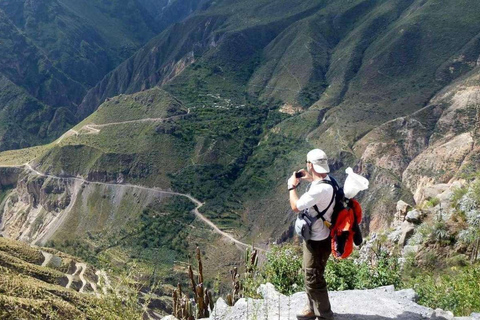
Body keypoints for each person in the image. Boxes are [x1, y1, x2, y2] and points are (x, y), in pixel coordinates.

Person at [287, 148, 335, 320]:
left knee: (313, 278)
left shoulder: (318, 191)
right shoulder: (329, 181)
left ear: (310, 164)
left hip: (317, 240)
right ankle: (311, 307)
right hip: (321, 236)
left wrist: (291, 186)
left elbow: (295, 206)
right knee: (310, 273)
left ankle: (324, 315)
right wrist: (308, 177)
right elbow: (318, 183)